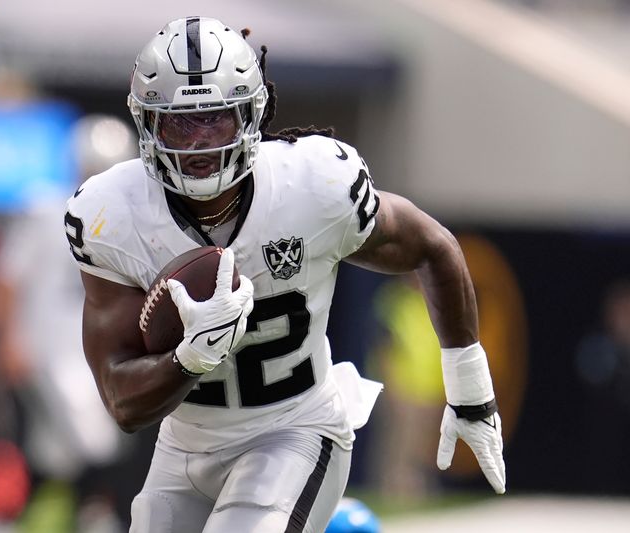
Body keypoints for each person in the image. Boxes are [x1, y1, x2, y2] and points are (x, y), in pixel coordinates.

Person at [64, 17, 506, 533]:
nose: (201, 143)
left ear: (254, 114)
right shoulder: (109, 214)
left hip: (293, 429)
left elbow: (432, 246)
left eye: (218, 119)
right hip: (184, 445)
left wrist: (471, 390)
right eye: (180, 123)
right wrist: (189, 358)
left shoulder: (313, 185)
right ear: (147, 124)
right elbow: (123, 403)